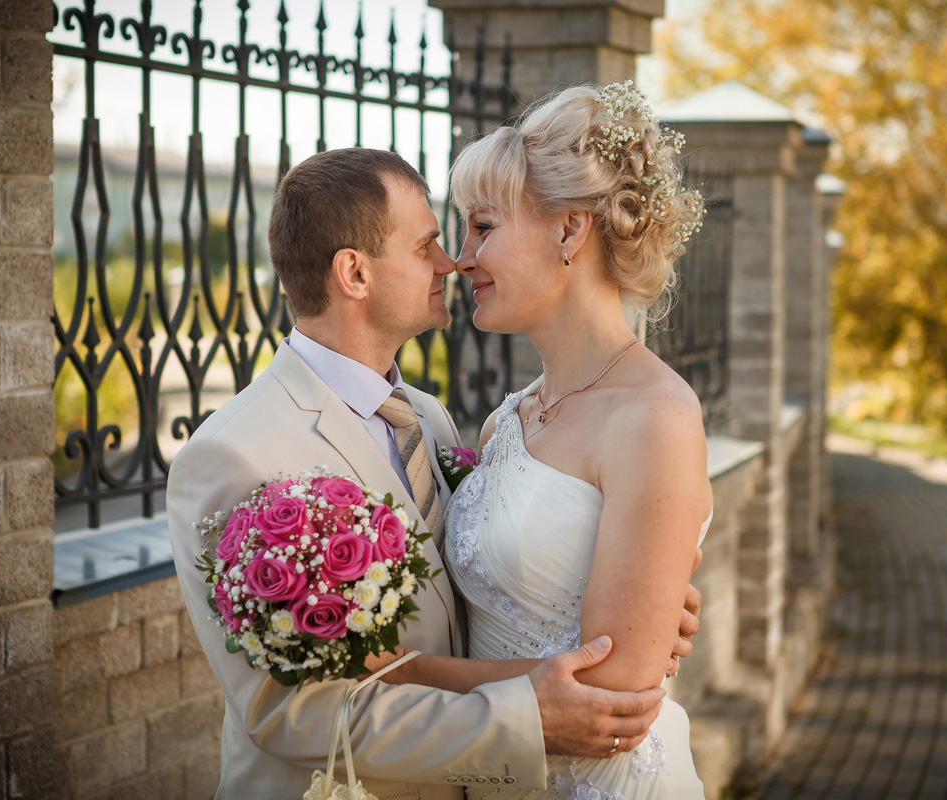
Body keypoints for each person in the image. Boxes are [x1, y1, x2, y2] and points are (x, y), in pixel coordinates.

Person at [165, 146, 702, 800]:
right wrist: (530, 706)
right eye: (427, 247)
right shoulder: (234, 452)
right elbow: (285, 712)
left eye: (472, 232)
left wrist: (631, 591)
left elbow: (479, 586)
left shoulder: (428, 420)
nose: (453, 261)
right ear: (355, 274)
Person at [370, 83, 712, 798]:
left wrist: (396, 668)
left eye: (483, 227)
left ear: (569, 231)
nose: (460, 259)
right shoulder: (504, 425)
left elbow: (607, 701)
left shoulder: (656, 418)